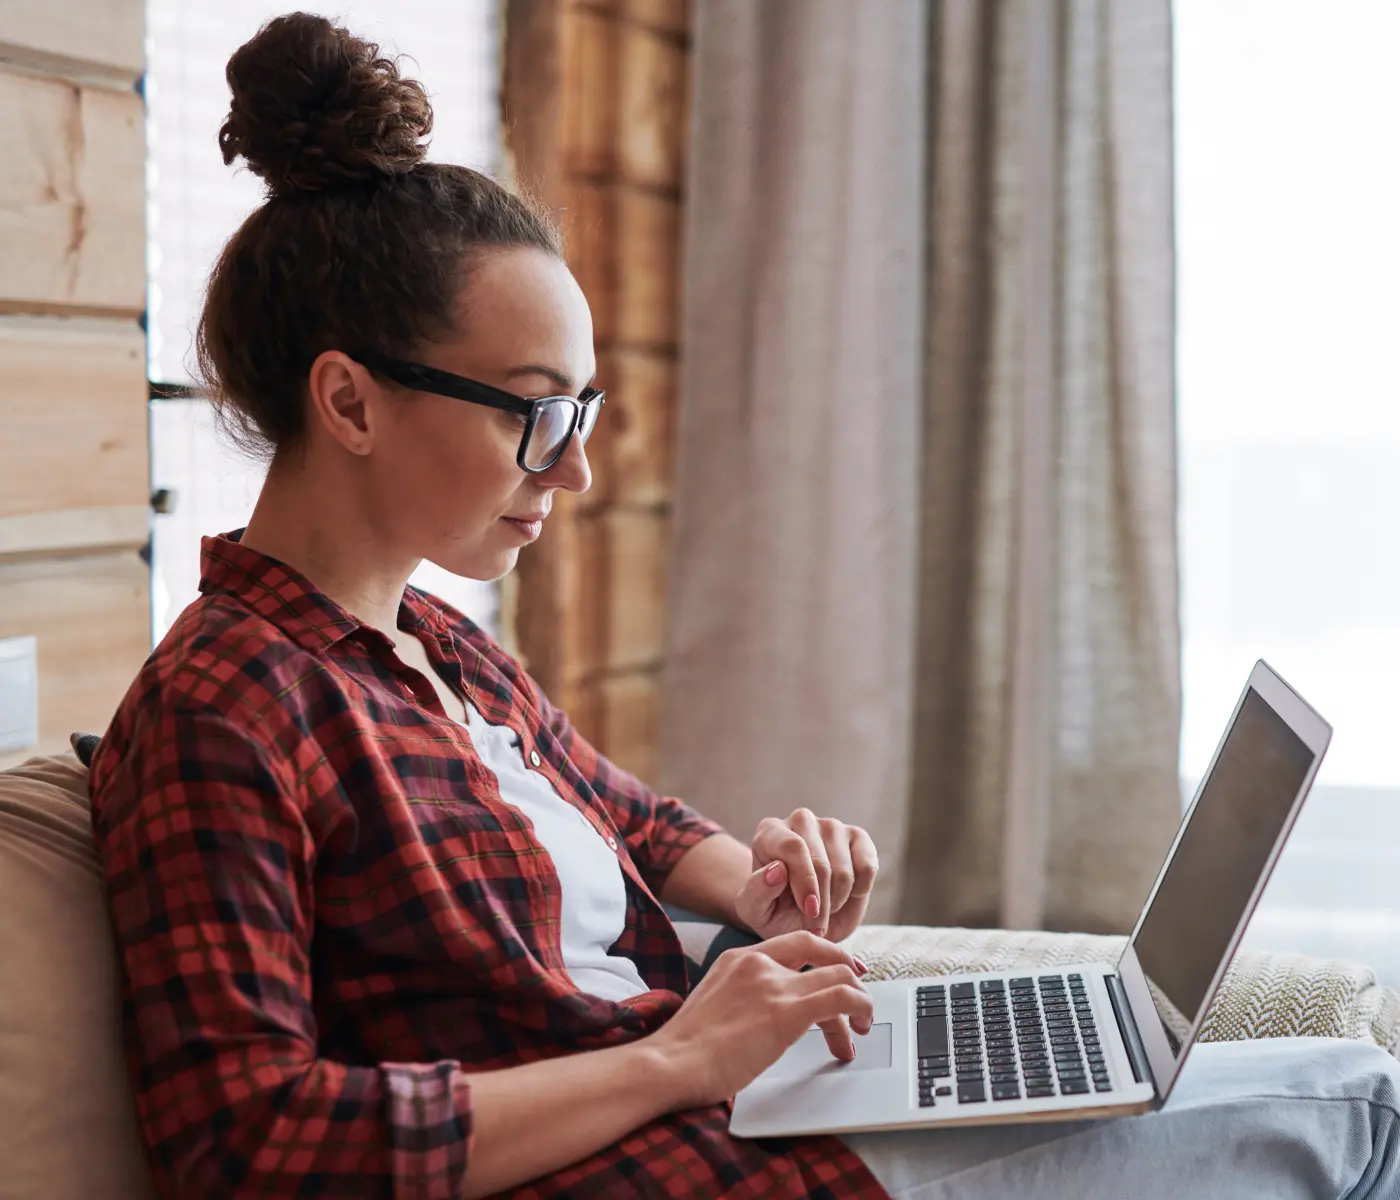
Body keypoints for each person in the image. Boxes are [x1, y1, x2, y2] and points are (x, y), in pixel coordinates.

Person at [90, 13, 1400, 1200]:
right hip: (683, 1163)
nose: (581, 469)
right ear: (353, 402)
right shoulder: (226, 715)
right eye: (540, 416)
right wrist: (676, 1059)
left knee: (1299, 1070)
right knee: (1356, 1097)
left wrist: (763, 884)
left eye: (584, 414)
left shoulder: (440, 651)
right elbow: (249, 1143)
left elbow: (637, 822)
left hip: (739, 1117)